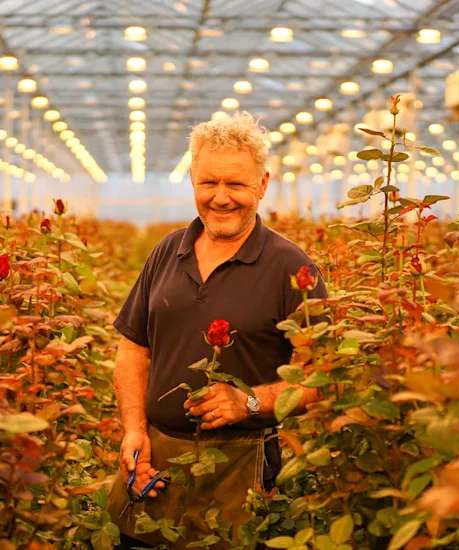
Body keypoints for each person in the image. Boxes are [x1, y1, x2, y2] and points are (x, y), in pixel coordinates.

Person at [106, 112, 329, 549]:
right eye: (209, 183)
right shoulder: (167, 252)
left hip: (242, 472)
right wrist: (134, 430)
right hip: (156, 467)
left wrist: (249, 401)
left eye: (237, 185)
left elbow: (319, 378)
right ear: (192, 180)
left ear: (262, 185)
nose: (221, 198)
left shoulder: (292, 268)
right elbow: (133, 351)